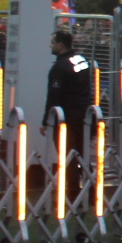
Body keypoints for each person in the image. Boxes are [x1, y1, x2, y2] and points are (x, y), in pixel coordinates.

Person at [43, 29, 94, 162]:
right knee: (83, 154)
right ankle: (89, 181)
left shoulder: (60, 67)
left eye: (53, 43)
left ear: (60, 45)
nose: (50, 45)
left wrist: (46, 121)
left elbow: (54, 96)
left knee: (68, 156)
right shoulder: (81, 60)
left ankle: (73, 183)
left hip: (67, 117)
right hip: (84, 114)